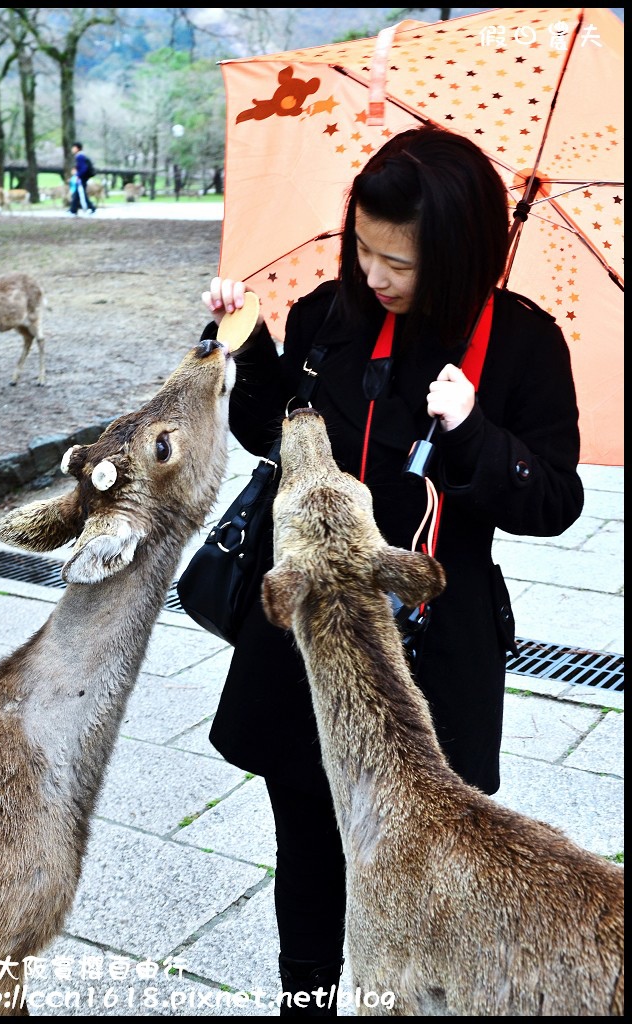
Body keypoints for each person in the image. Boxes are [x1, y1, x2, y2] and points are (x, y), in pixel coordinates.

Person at [200, 124, 584, 1015]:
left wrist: (474, 432)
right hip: (308, 635)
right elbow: (272, 437)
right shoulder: (330, 318)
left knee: (419, 864)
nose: (374, 276)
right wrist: (246, 344)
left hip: (432, 648)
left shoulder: (524, 345)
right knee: (306, 850)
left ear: (456, 256)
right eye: (363, 248)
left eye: (398, 263)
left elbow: (553, 501)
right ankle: (307, 999)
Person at [68, 141, 96, 215]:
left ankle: (91, 208)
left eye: (73, 147)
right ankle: (73, 210)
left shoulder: (80, 156)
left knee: (81, 193)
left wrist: (77, 174)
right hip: (82, 177)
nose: (72, 149)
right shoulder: (81, 156)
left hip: (82, 178)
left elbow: (83, 168)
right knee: (77, 193)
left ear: (77, 148)